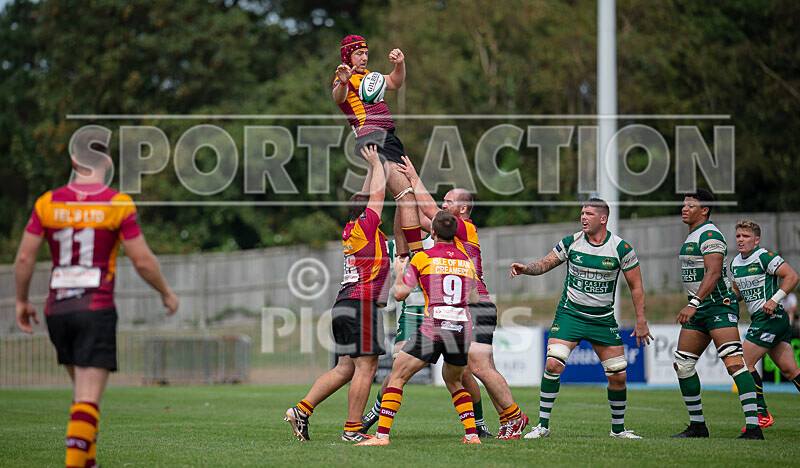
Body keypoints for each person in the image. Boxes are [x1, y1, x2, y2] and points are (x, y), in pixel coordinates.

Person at [14, 128, 179, 468]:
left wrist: (20, 301)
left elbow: (24, 259)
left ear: (74, 161)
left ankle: (87, 462)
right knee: (88, 399)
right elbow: (143, 261)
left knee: (82, 401)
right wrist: (166, 292)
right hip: (95, 308)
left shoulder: (47, 202)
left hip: (56, 310)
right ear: (107, 162)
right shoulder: (117, 204)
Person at [397, 156, 526, 439]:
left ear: (463, 209)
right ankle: (504, 420)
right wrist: (402, 195)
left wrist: (414, 178)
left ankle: (514, 417)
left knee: (478, 366)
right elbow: (417, 218)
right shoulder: (449, 230)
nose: (443, 207)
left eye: (448, 202)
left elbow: (429, 211)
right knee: (475, 369)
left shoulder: (465, 227)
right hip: (467, 307)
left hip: (474, 304)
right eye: (443, 202)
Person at [509, 198, 652, 439]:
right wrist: (526, 269)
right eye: (582, 213)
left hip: (602, 320)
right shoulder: (572, 242)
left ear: (603, 218)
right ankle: (542, 426)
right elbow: (546, 263)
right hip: (570, 315)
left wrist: (641, 321)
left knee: (618, 376)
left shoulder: (621, 249)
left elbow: (636, 286)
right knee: (553, 364)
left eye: (588, 213)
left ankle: (617, 430)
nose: (583, 217)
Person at [285, 145, 390, 442]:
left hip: (343, 304)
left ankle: (301, 410)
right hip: (360, 304)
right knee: (366, 367)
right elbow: (378, 196)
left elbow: (367, 196)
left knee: (345, 368)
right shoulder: (368, 227)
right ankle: (353, 430)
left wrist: (371, 168)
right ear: (367, 211)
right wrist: (377, 163)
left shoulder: (353, 227)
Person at [356, 211, 482, 446]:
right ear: (454, 234)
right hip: (461, 328)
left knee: (397, 376)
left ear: (432, 232)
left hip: (434, 326)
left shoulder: (423, 258)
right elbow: (474, 297)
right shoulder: (466, 260)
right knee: (455, 381)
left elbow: (400, 294)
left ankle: (382, 436)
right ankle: (472, 435)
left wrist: (399, 271)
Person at [671, 189, 762, 439]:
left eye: (690, 205)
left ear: (705, 210)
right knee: (683, 364)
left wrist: (693, 302)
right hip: (700, 309)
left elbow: (712, 273)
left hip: (717, 306)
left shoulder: (710, 234)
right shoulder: (694, 235)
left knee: (734, 363)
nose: (684, 209)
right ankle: (698, 426)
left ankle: (754, 428)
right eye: (684, 205)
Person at [333, 34, 424, 259]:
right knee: (406, 194)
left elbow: (395, 81)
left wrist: (400, 64)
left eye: (366, 53)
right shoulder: (344, 78)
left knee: (384, 197)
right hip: (372, 136)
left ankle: (399, 255)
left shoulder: (370, 77)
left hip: (387, 137)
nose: (364, 57)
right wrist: (344, 80)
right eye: (358, 53)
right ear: (348, 56)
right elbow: (338, 96)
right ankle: (417, 257)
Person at [729, 220, 800, 432]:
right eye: (739, 236)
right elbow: (737, 293)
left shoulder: (764, 256)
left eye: (746, 236)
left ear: (756, 239)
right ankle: (762, 414)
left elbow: (792, 276)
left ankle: (761, 415)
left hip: (770, 318)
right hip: (763, 320)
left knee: (742, 364)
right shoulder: (735, 263)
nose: (741, 239)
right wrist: (724, 300)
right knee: (791, 370)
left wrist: (775, 299)